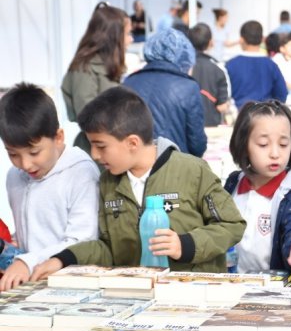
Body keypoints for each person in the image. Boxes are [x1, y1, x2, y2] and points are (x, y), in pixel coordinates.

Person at [29, 87, 246, 280]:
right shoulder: (108, 182)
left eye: (101, 146)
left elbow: (232, 225)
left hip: (192, 293)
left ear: (132, 142)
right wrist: (62, 259)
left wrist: (186, 244)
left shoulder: (193, 170)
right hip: (136, 297)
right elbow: (107, 248)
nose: (94, 155)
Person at [0, 83, 98, 290]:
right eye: (13, 154)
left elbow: (84, 240)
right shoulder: (14, 177)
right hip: (29, 286)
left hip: (74, 285)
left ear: (59, 137)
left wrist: (27, 261)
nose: (25, 164)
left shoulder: (82, 173)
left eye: (34, 152)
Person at [223, 101, 291, 275]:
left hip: (274, 292)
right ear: (243, 145)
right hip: (236, 284)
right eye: (263, 144)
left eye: (283, 144)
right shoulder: (234, 183)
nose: (275, 154)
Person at [62, 2, 132, 155]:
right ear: (113, 36)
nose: (130, 40)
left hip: (112, 149)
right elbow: (87, 117)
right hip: (96, 153)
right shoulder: (84, 68)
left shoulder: (108, 65)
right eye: (127, 34)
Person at [124, 28, 207, 157]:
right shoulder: (188, 87)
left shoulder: (128, 83)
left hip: (134, 166)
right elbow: (197, 145)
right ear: (184, 57)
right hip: (175, 167)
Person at [226, 21, 288, 109]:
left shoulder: (230, 65)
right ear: (262, 39)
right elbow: (282, 94)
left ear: (241, 39)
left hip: (240, 117)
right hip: (265, 116)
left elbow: (224, 96)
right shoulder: (271, 65)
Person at [188, 23, 231, 127]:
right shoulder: (219, 68)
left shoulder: (183, 66)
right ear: (211, 42)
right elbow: (222, 106)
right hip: (211, 126)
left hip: (186, 125)